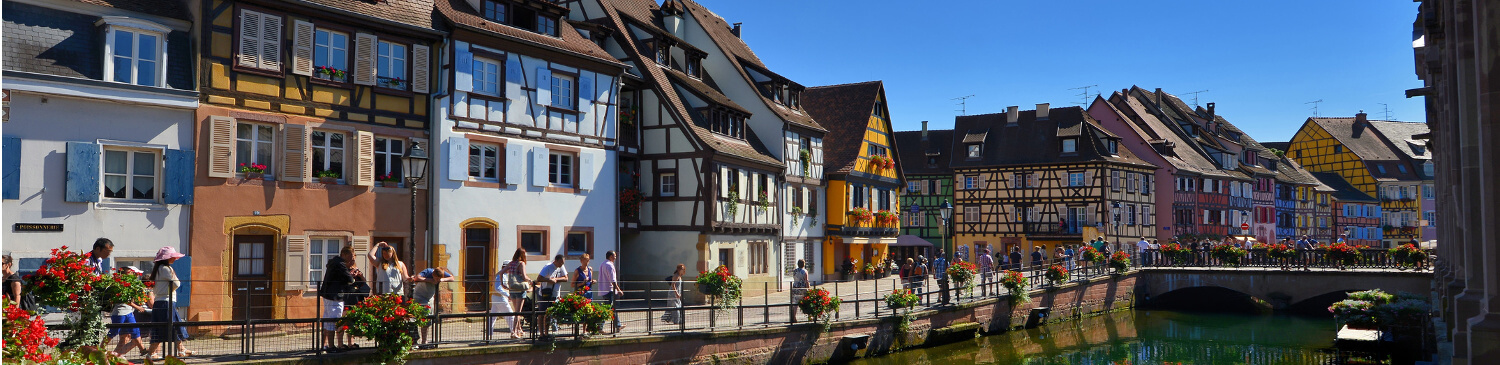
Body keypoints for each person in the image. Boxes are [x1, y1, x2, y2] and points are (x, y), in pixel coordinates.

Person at [144, 247, 193, 360]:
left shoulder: (158, 269)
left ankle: (180, 350)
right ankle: (179, 350)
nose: (175, 258)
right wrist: (170, 289)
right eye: (173, 256)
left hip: (160, 302)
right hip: (166, 302)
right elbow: (177, 283)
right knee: (173, 325)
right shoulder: (166, 268)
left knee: (164, 326)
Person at [105, 266, 150, 358]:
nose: (133, 274)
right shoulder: (119, 284)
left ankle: (142, 349)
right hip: (120, 312)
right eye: (130, 273)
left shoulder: (131, 284)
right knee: (114, 331)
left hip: (129, 312)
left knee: (135, 331)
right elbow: (126, 300)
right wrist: (137, 307)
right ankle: (101, 348)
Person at [499, 250, 530, 339]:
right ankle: (513, 332)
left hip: (512, 289)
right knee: (518, 312)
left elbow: (501, 272)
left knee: (516, 310)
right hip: (520, 289)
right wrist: (530, 280)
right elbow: (524, 276)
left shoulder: (511, 263)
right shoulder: (521, 263)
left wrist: (502, 284)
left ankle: (519, 329)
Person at [536, 255, 568, 337]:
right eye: (560, 262)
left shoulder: (561, 267)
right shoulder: (547, 267)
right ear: (556, 260)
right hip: (545, 293)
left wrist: (556, 279)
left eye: (563, 263)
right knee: (542, 313)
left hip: (555, 293)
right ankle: (541, 333)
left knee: (551, 313)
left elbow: (566, 278)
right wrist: (548, 280)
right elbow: (539, 278)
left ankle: (547, 332)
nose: (561, 264)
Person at [599, 251, 624, 333]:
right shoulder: (610, 265)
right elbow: (613, 280)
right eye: (614, 256)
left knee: (611, 309)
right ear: (610, 256)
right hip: (609, 290)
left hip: (603, 290)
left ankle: (618, 325)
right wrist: (618, 289)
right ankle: (599, 327)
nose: (615, 258)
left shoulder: (603, 264)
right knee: (608, 309)